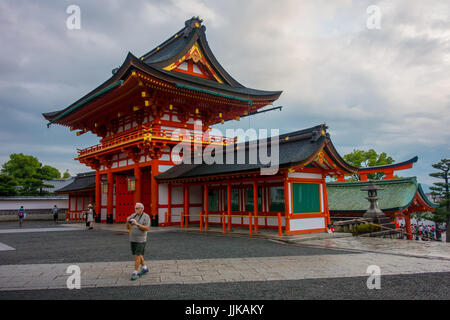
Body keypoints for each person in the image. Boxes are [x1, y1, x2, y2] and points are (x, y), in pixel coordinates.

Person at [126, 203, 150, 281]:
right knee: (138, 255)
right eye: (135, 208)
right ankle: (145, 268)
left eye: (137, 208)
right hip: (132, 238)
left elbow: (147, 228)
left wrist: (137, 224)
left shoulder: (146, 217)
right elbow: (127, 227)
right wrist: (127, 222)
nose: (135, 210)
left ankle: (135, 272)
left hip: (141, 239)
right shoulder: (133, 215)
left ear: (142, 209)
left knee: (137, 255)